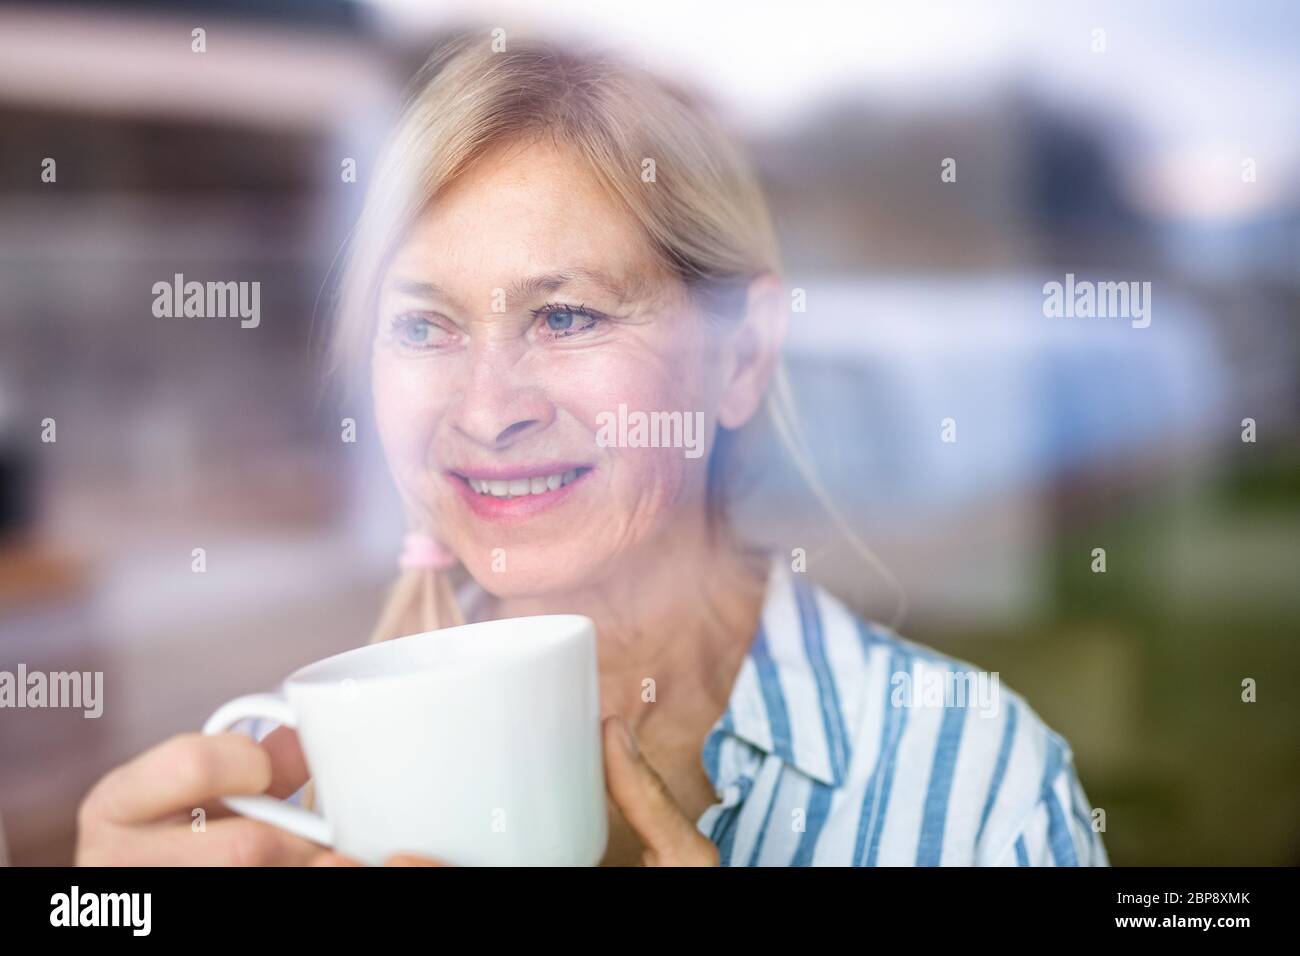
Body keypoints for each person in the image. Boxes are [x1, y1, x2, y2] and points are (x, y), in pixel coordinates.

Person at [75, 37, 1107, 867]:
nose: (485, 411)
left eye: (565, 316)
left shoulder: (977, 787)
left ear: (738, 354)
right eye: (425, 326)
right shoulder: (275, 808)